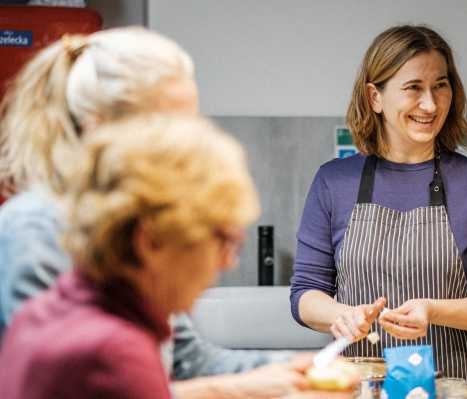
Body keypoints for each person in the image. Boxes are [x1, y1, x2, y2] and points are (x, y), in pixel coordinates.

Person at [0, 26, 311, 394]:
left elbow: (185, 359)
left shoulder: (144, 242)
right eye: (168, 126)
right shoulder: (32, 230)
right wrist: (231, 389)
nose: (189, 142)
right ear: (100, 127)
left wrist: (299, 369)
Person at [0, 115, 353, 398]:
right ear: (150, 240)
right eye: (221, 241)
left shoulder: (58, 313)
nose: (228, 262)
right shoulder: (110, 351)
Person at [290, 25, 467, 384]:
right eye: (414, 87)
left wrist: (433, 311)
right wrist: (342, 315)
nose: (430, 104)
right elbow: (306, 293)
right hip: (364, 386)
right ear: (375, 98)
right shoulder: (334, 182)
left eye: (440, 85)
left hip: (460, 386)